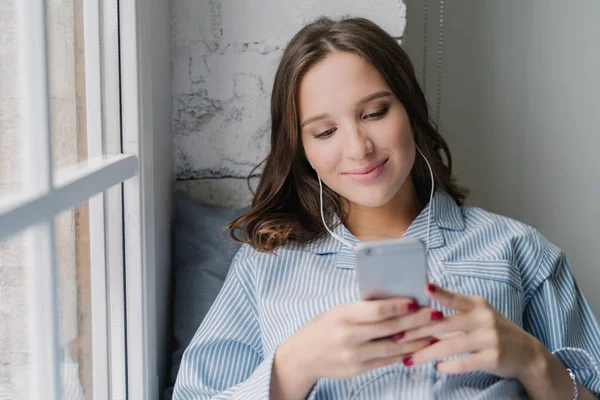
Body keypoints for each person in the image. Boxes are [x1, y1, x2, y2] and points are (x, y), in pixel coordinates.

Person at [172, 16, 600, 400]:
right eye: (324, 132)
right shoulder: (264, 265)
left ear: (410, 110)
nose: (358, 148)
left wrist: (533, 361)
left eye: (375, 112)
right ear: (300, 149)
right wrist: (291, 368)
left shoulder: (520, 250)